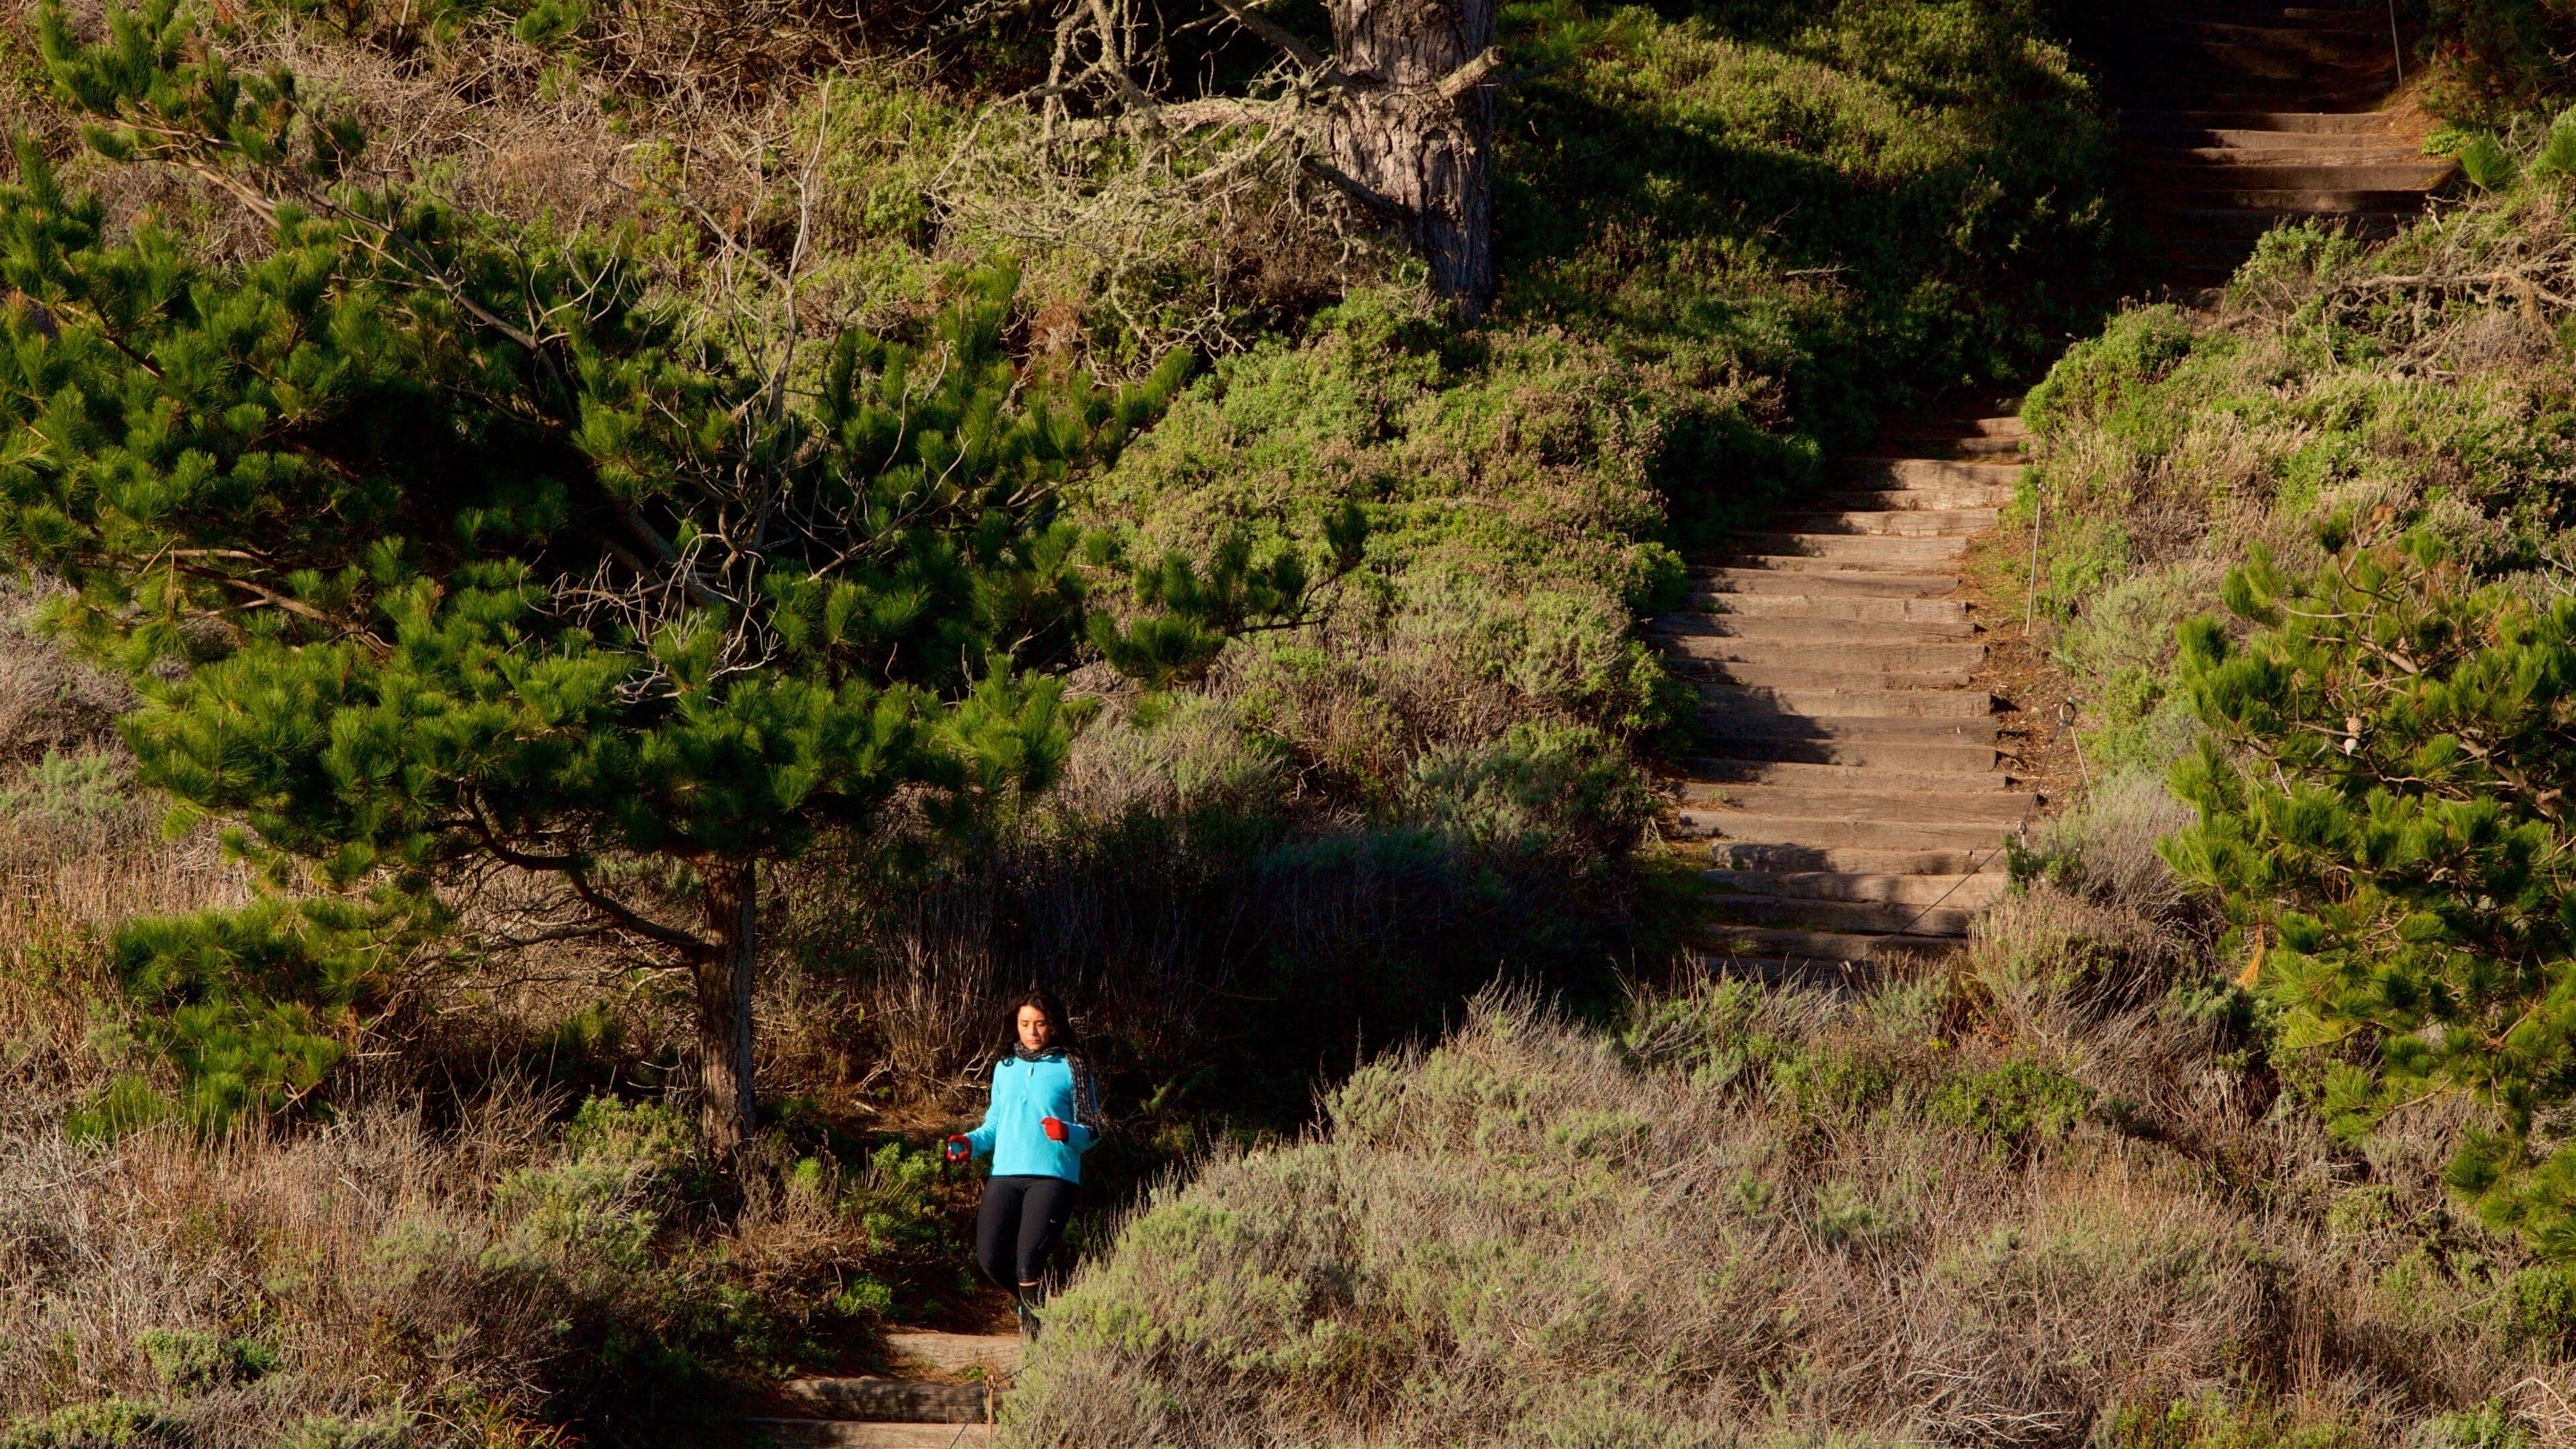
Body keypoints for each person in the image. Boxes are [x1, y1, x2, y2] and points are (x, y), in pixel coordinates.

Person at [946, 987, 1101, 1341]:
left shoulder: (1073, 1067)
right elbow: (995, 1127)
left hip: (1054, 1178)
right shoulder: (1005, 1068)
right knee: (989, 1259)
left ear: (1054, 1025)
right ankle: (1036, 1306)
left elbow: (1093, 1131)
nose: (1032, 1032)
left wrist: (1067, 1132)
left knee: (1029, 1261)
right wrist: (970, 1143)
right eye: (1024, 1024)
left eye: (1040, 1024)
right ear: (1015, 1025)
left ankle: (1035, 1345)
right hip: (1005, 1174)